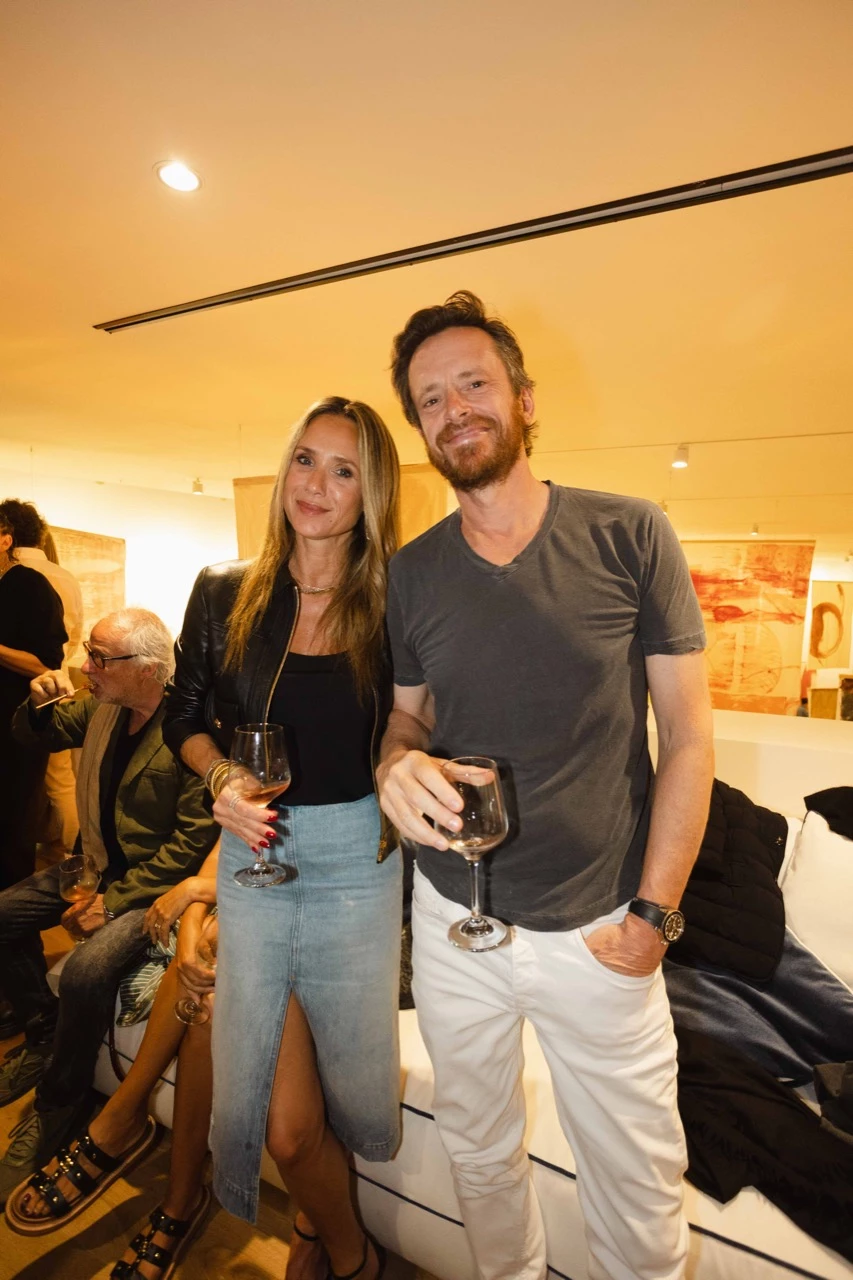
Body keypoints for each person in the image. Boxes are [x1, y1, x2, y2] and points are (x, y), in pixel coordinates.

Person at [378, 292, 715, 1280]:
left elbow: (689, 738)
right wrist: (395, 762)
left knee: (639, 1189)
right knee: (479, 1161)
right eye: (429, 399)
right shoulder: (412, 574)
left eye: (473, 383)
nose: (453, 409)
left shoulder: (630, 533)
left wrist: (654, 912)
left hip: (602, 926)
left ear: (523, 399)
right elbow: (409, 717)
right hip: (453, 924)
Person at [163, 397, 402, 1280]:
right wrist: (221, 777)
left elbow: (421, 730)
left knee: (334, 1095)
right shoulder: (226, 590)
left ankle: (320, 1229)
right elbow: (184, 717)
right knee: (279, 1117)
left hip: (359, 867)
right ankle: (354, 1255)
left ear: (370, 494)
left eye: (344, 471)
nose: (316, 485)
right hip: (254, 854)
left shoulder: (397, 602)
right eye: (305, 460)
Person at [0, 607, 219, 1207]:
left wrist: (113, 902)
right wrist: (38, 698)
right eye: (88, 654)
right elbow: (31, 733)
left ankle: (61, 1104)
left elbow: (192, 843)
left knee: (90, 969)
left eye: (99, 658)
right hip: (93, 865)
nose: (84, 667)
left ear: (147, 670)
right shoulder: (99, 704)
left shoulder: (193, 729)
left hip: (146, 886)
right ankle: (43, 1035)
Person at [6, 846, 220, 1280]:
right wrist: (195, 919)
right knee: (193, 964)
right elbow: (224, 847)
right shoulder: (255, 784)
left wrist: (198, 890)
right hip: (229, 899)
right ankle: (131, 1128)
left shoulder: (364, 787)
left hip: (300, 908)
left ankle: (167, 1179)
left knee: (208, 1002)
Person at [0, 500, 67, 890]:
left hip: (16, 728)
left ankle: (13, 934)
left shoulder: (30, 585)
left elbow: (47, 665)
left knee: (12, 826)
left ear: (6, 540)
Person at [12, 501, 85, 858]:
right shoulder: (64, 576)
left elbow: (43, 655)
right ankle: (67, 858)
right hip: (63, 678)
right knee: (60, 779)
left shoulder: (19, 576)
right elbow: (73, 635)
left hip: (35, 684)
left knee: (30, 783)